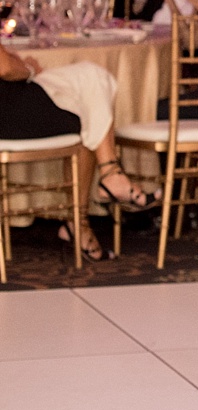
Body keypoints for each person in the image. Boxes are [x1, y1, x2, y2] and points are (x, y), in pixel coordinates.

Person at [0, 43, 155, 260]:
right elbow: (5, 67)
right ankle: (95, 199)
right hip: (7, 113)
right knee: (88, 107)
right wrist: (28, 69)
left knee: (89, 79)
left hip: (11, 104)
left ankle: (107, 181)